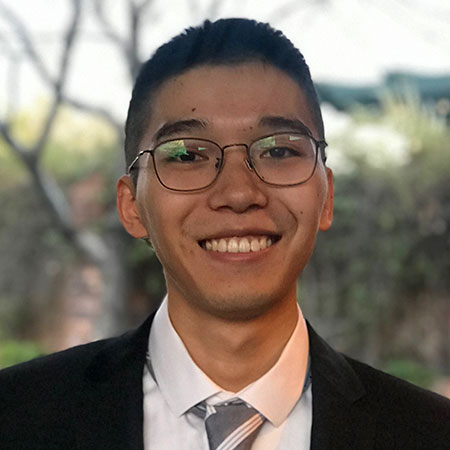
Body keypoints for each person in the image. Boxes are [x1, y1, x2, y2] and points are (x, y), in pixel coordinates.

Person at [0, 18, 449, 450]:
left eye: (278, 150)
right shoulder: (16, 419)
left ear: (326, 196)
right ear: (131, 206)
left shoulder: (429, 433)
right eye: (187, 155)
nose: (238, 193)